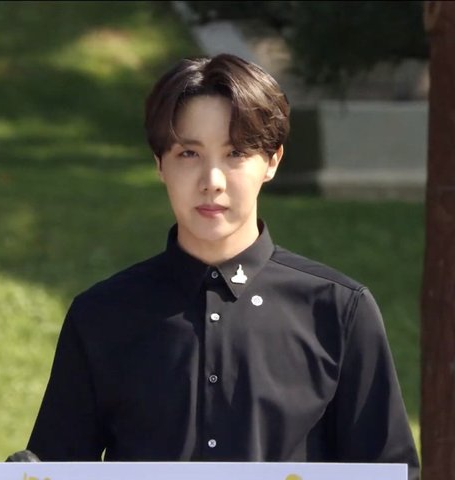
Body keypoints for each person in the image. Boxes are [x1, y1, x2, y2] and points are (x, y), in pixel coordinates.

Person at [23, 53, 419, 478]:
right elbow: (52, 469)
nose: (211, 181)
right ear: (159, 163)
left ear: (272, 161)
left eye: (235, 153)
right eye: (188, 153)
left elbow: (390, 472)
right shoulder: (100, 316)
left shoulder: (339, 311)